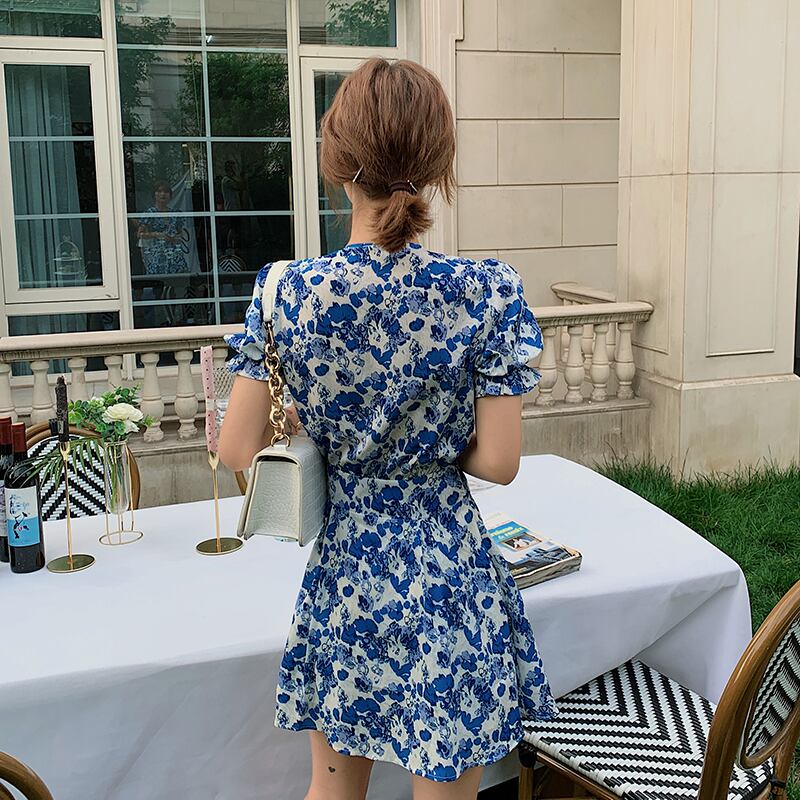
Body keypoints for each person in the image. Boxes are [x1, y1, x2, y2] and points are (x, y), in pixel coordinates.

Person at [218, 57, 558, 800]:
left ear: (339, 165)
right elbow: (499, 462)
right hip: (449, 578)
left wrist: (326, 421)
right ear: (437, 167)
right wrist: (423, 442)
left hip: (348, 579)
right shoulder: (486, 291)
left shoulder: (285, 293)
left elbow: (236, 448)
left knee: (333, 793)